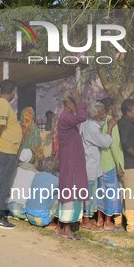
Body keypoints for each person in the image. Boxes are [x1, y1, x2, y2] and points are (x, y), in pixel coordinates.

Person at [56, 89, 88, 239]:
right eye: (74, 103)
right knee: (69, 192)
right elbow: (83, 116)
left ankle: (63, 227)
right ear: (68, 104)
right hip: (70, 162)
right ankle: (66, 228)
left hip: (72, 161)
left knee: (71, 191)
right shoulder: (66, 117)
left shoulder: (67, 117)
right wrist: (79, 100)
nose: (76, 105)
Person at [0, 80, 23, 229]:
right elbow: (0, 125)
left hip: (5, 148)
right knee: (4, 184)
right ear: (12, 92)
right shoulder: (4, 103)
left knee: (0, 183)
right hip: (7, 149)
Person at [79, 101, 112, 231]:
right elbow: (105, 143)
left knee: (90, 194)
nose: (104, 113)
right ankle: (86, 220)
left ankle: (87, 218)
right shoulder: (91, 127)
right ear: (97, 113)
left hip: (90, 164)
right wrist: (109, 129)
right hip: (90, 166)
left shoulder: (88, 124)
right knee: (89, 195)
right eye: (102, 111)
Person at [118, 99, 134, 234]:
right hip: (130, 164)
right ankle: (132, 225)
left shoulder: (120, 122)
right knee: (131, 196)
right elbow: (125, 141)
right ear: (128, 112)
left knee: (122, 194)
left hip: (122, 164)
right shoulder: (127, 124)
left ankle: (118, 221)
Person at [98, 98, 124, 231]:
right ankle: (108, 222)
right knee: (111, 193)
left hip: (99, 163)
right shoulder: (111, 123)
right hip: (110, 163)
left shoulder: (98, 122)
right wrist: (119, 165)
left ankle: (99, 219)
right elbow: (114, 146)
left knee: (100, 192)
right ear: (111, 108)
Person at [25, 156, 59, 227]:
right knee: (58, 195)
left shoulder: (36, 175)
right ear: (56, 166)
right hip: (42, 220)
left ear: (43, 164)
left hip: (28, 215)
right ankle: (57, 222)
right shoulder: (57, 180)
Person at [8, 149, 38, 220]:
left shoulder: (15, 170)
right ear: (31, 158)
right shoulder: (36, 174)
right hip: (24, 209)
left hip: (11, 206)